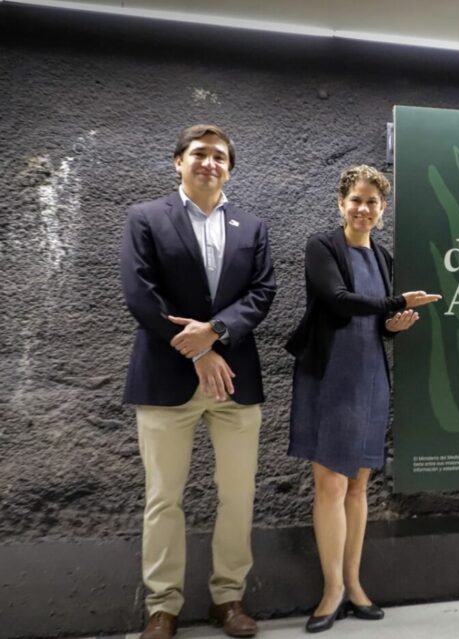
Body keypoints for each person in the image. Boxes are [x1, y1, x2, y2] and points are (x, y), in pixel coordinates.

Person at [120, 124, 276, 639]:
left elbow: (262, 292)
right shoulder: (146, 218)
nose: (210, 162)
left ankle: (228, 598)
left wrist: (217, 333)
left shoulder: (251, 227)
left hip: (234, 382)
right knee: (163, 497)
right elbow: (140, 293)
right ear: (178, 161)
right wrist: (200, 351)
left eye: (219, 156)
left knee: (239, 495)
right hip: (166, 380)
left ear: (229, 168)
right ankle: (162, 607)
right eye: (199, 153)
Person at [285, 165, 440, 633]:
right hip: (328, 376)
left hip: (370, 377)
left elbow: (374, 323)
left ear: (382, 209)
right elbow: (338, 300)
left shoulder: (383, 257)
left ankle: (353, 585)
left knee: (358, 487)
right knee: (331, 485)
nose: (363, 208)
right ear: (341, 203)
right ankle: (331, 589)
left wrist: (393, 325)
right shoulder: (323, 247)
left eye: (372, 202)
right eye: (356, 199)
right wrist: (396, 304)